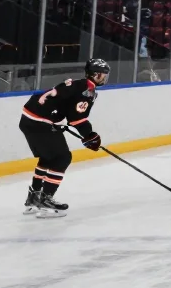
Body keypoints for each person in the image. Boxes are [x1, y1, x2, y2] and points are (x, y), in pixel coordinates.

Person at [19, 58, 108, 217]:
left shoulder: (78, 84)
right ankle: (46, 201)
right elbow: (77, 119)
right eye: (102, 75)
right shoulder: (87, 90)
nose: (104, 78)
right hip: (41, 121)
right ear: (95, 75)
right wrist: (89, 135)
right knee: (63, 157)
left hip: (28, 119)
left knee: (48, 158)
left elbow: (65, 107)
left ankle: (34, 198)